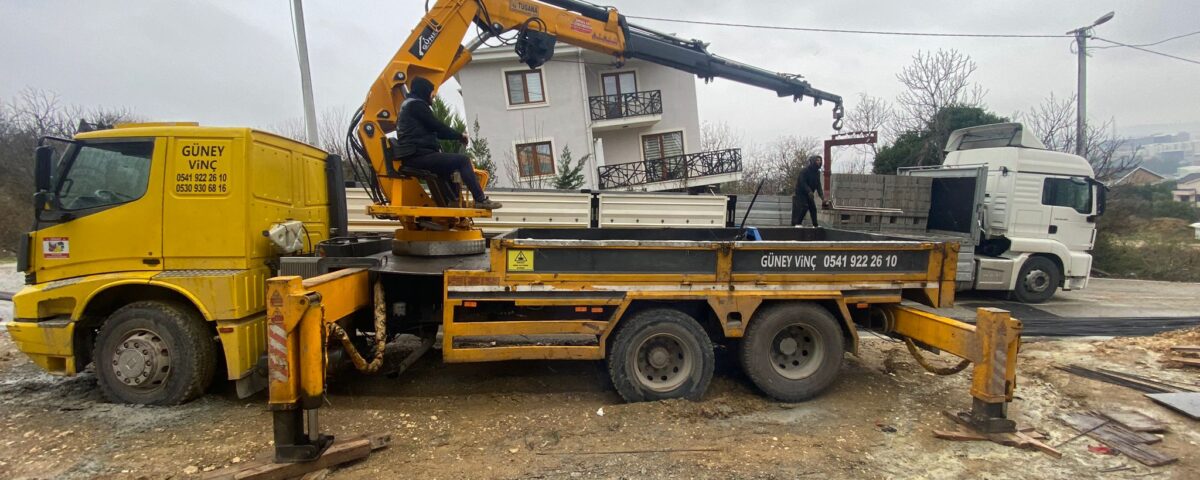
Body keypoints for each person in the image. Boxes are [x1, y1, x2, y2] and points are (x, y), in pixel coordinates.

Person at [392, 77, 501, 210]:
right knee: (463, 161)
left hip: (415, 155)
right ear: (424, 91)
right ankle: (480, 199)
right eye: (432, 93)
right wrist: (459, 135)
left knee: (448, 164)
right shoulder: (416, 105)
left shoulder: (409, 106)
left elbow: (437, 132)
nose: (433, 97)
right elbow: (437, 126)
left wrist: (457, 137)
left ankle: (453, 201)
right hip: (418, 156)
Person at [791, 155, 825, 227]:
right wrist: (809, 191)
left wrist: (822, 197)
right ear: (813, 161)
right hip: (801, 192)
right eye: (817, 160)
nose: (819, 162)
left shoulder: (817, 173)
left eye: (820, 160)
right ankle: (797, 223)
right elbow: (802, 182)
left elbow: (818, 185)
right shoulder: (805, 171)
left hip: (809, 193)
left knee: (813, 208)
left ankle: (815, 225)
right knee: (804, 206)